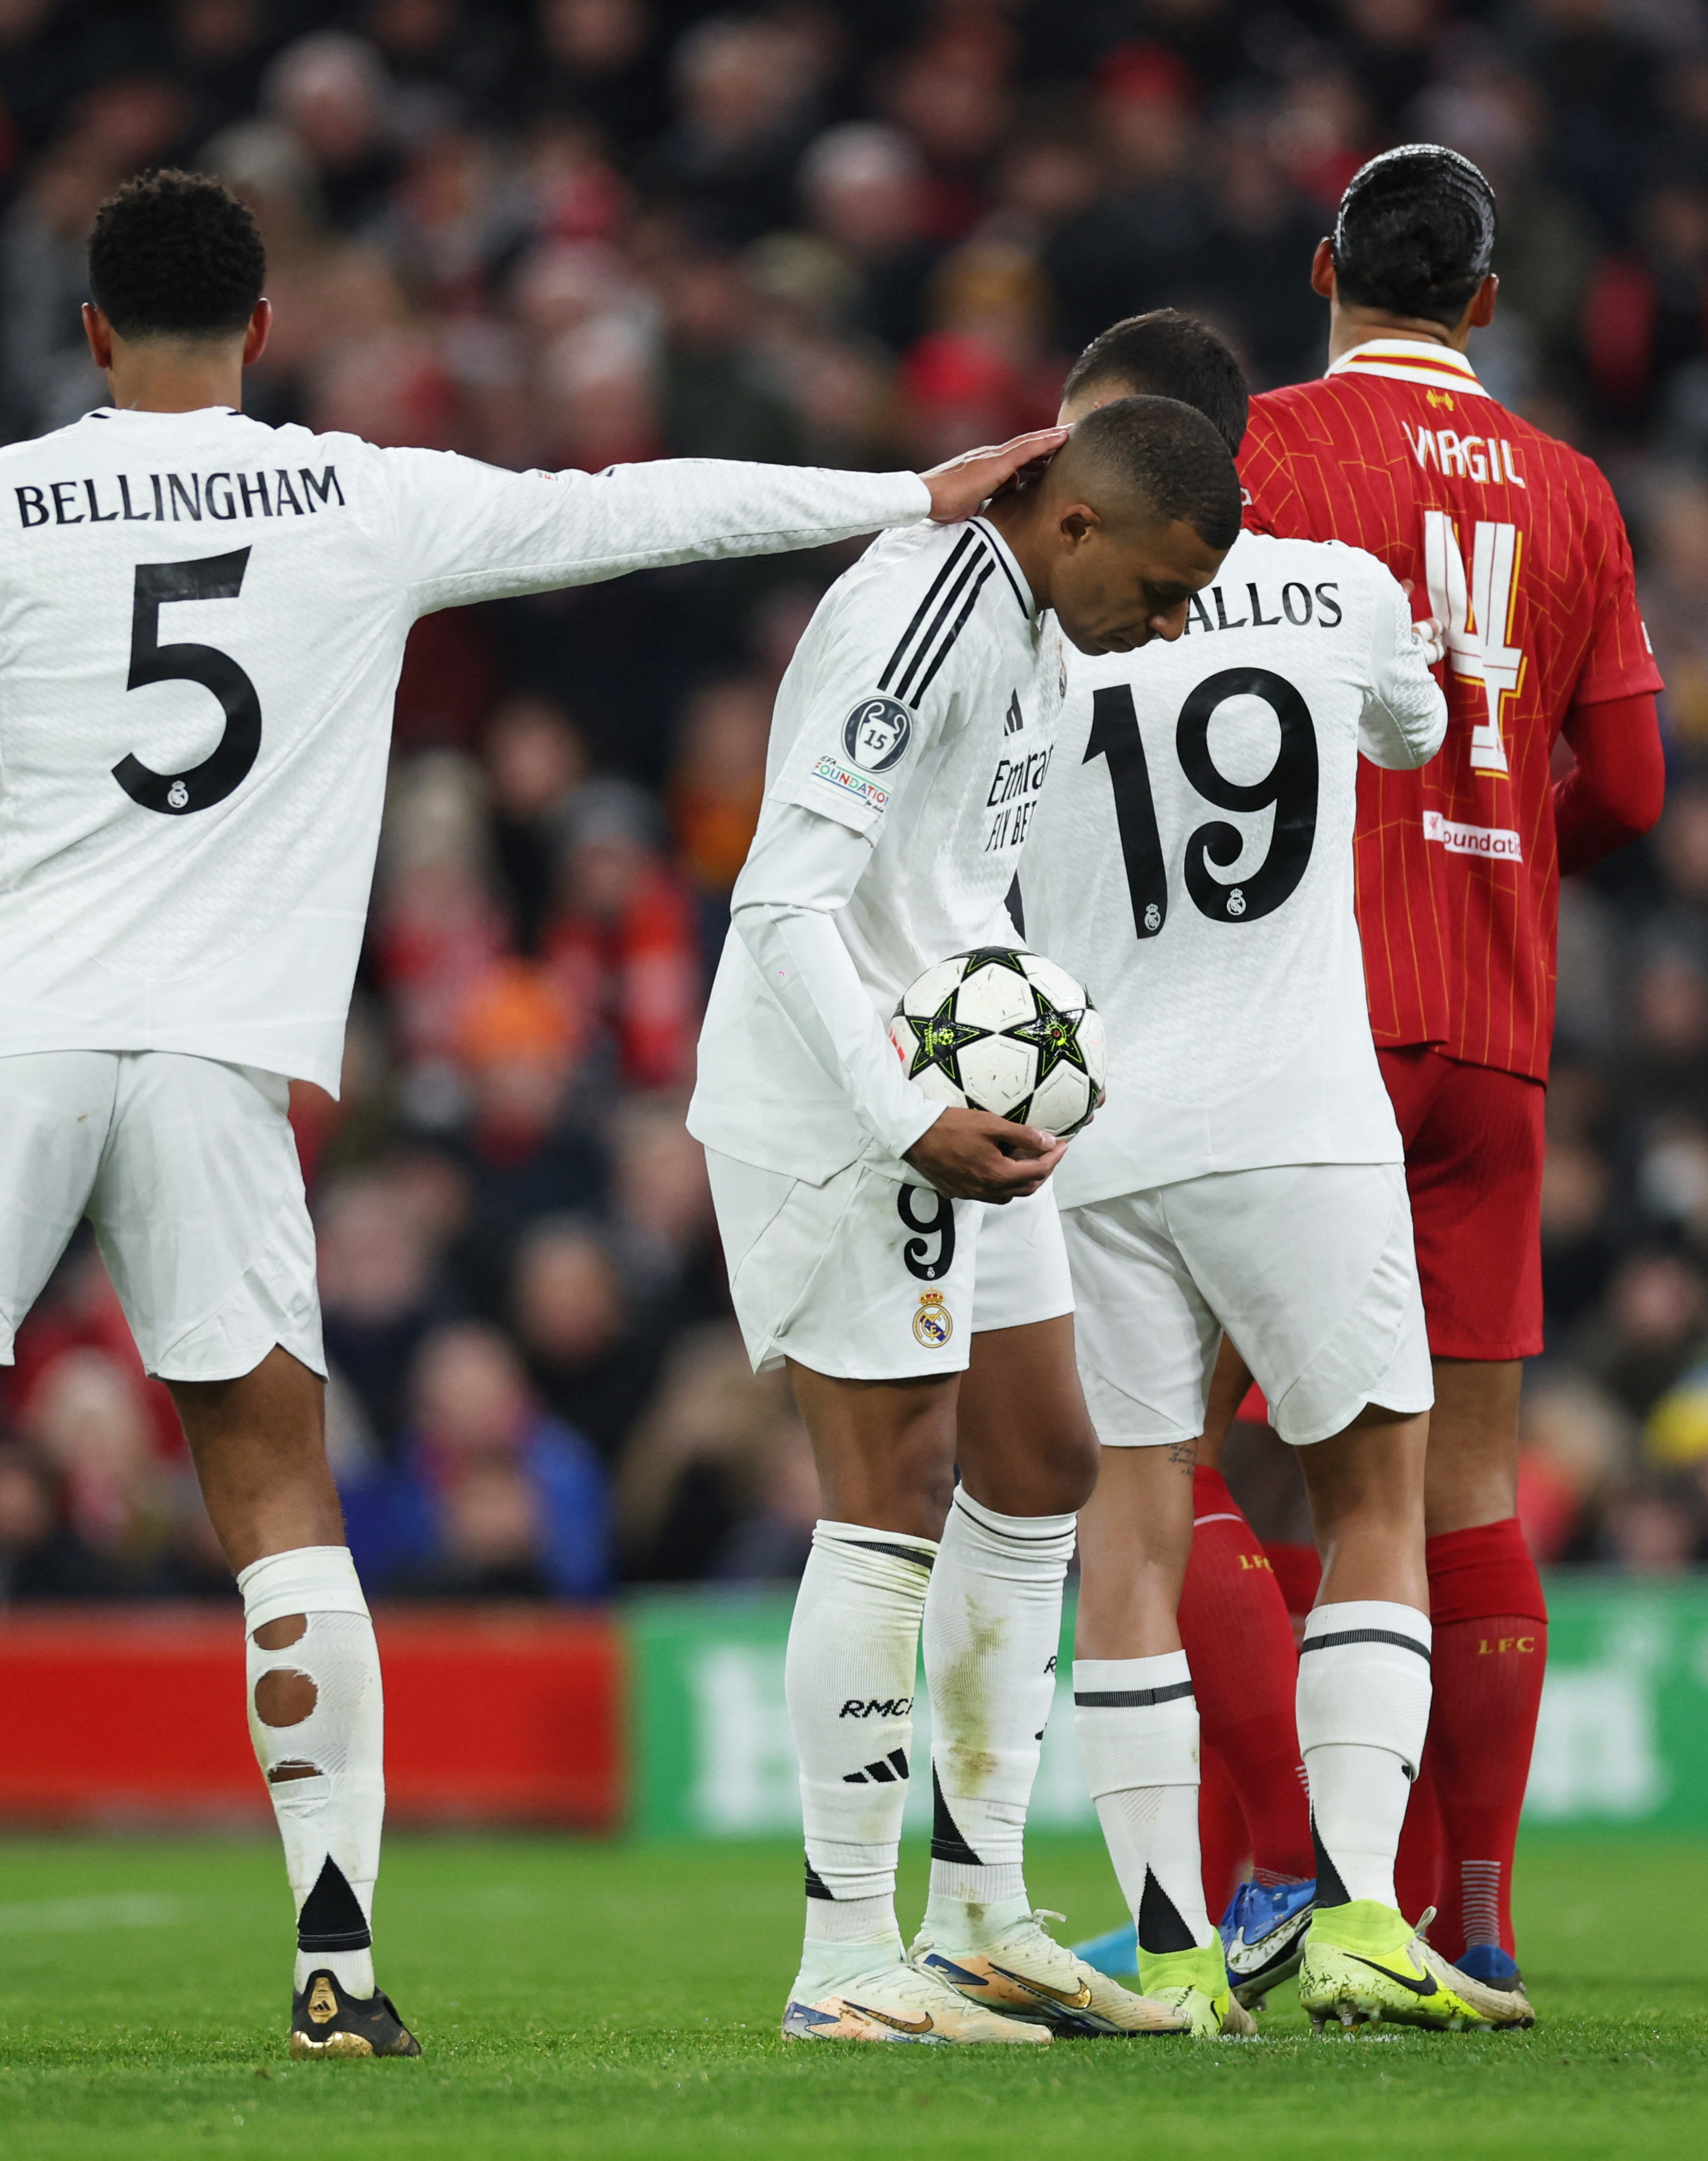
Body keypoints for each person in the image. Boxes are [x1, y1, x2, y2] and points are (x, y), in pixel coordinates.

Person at [0, 167, 1060, 2069]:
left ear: (90, 330)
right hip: (224, 1055)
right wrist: (900, 494)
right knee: (274, 1489)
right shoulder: (358, 490)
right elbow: (628, 514)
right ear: (263, 330)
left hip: (4, 1023)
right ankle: (337, 1957)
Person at [687, 391, 1238, 2045]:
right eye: (1159, 587)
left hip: (956, 1098)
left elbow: (948, 882)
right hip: (846, 1103)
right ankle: (845, 1956)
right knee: (893, 1489)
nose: (1173, 625)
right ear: (1074, 524)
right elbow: (780, 896)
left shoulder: (1046, 632)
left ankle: (985, 1910)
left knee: (1045, 1453)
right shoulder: (922, 613)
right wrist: (908, 1107)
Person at [1181, 144, 1668, 2005]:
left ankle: (1290, 1871)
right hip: (1495, 1037)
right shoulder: (1576, 493)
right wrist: (1511, 849)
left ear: (1324, 267)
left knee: (1168, 1449)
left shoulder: (1266, 454)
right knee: (1459, 1483)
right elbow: (1627, 790)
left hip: (1294, 1018)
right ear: (1484, 301)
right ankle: (1475, 1916)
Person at [1020, 312, 1524, 2035]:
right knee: (1378, 1491)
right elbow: (1406, 737)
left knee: (1133, 1528)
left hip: (1096, 1128)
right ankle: (1367, 1917)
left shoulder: (1034, 616)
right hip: (1301, 1118)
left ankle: (1169, 1945)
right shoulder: (1342, 590)